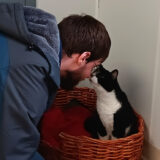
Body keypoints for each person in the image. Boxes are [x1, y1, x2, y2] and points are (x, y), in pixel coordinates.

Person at [0, 3, 111, 160]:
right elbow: (15, 153)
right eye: (94, 67)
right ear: (83, 57)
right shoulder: (31, 72)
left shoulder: (33, 38)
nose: (88, 76)